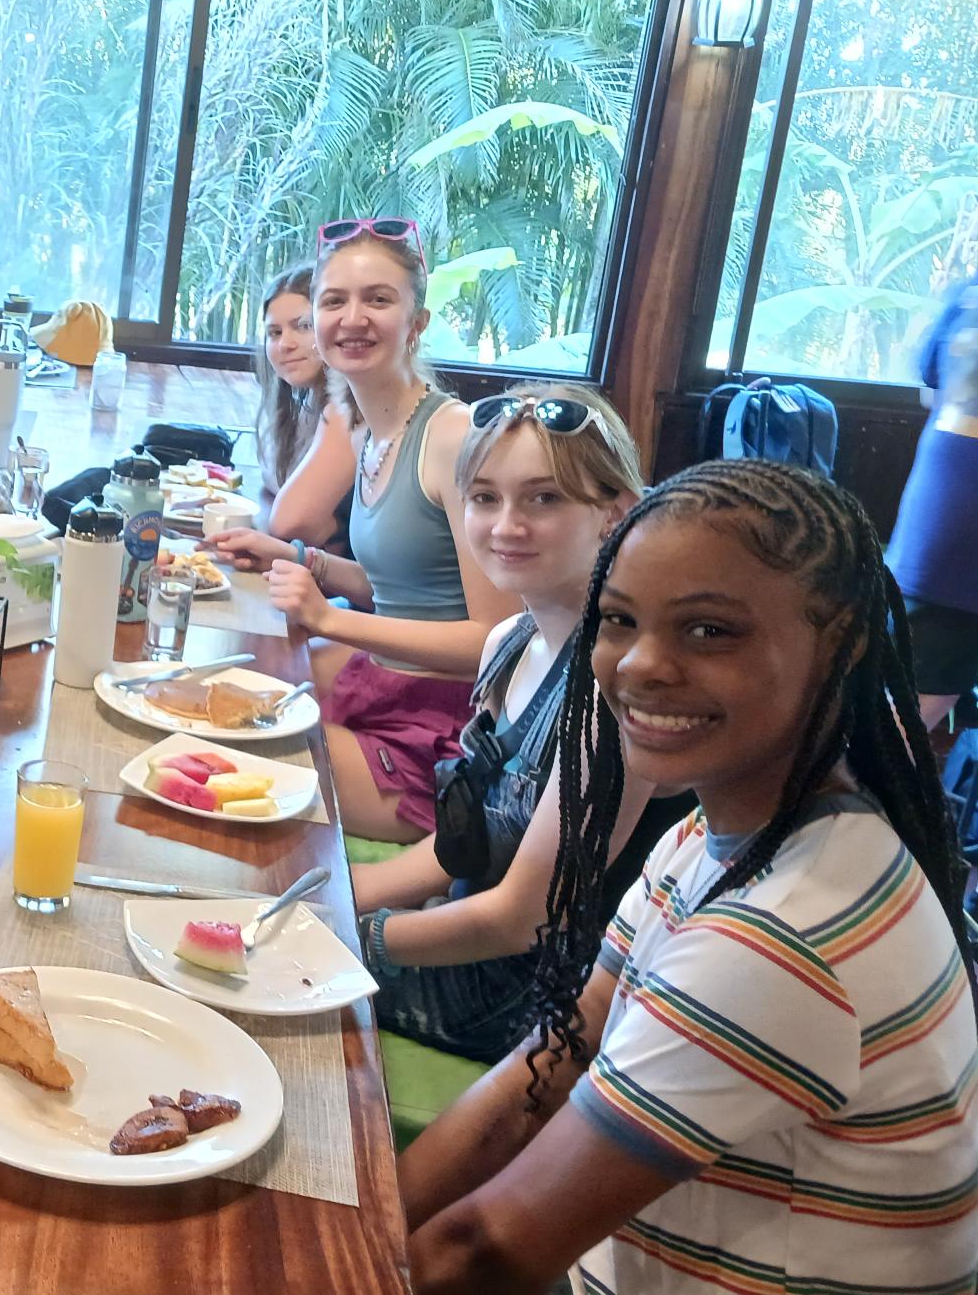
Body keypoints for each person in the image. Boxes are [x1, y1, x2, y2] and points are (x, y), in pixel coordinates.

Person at [399, 460, 977, 1294]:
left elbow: (491, 1250)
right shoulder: (718, 834)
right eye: (619, 619)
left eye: (710, 630)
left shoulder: (781, 942)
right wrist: (369, 1219)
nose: (640, 665)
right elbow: (552, 1058)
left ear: (844, 642)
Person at [352, 383, 686, 1061]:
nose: (506, 525)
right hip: (458, 938)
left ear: (615, 513)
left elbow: (522, 920)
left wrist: (353, 935)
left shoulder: (613, 690)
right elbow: (462, 847)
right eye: (484, 497)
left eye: (545, 498)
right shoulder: (510, 639)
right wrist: (335, 890)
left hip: (527, 1002)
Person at [208, 219, 519, 842]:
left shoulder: (450, 436)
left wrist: (329, 619)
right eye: (334, 301)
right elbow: (402, 590)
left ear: (417, 322)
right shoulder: (368, 427)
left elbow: (500, 642)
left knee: (233, 765)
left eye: (378, 299)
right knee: (218, 700)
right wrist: (298, 558)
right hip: (382, 682)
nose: (353, 318)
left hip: (439, 731)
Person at [885, 265, 978, 731]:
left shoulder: (969, 294)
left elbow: (931, 393)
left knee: (893, 718)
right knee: (896, 733)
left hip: (933, 526)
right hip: (962, 560)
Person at [251, 262, 354, 552]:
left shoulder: (351, 405)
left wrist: (335, 527)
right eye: (274, 333)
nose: (285, 344)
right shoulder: (305, 398)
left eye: (303, 326)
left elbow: (291, 524)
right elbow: (272, 473)